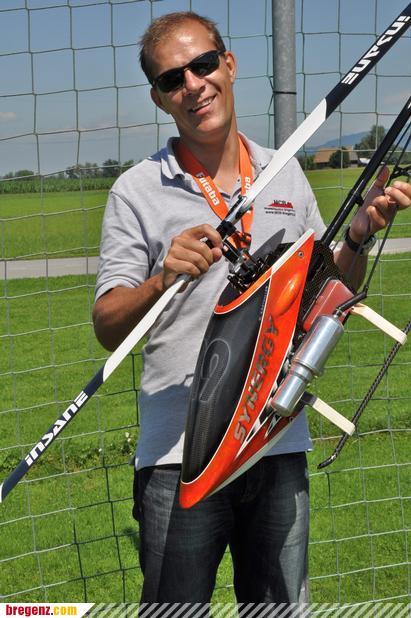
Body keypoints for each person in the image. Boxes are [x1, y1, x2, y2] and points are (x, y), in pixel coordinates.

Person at [92, 11, 411, 607]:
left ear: (229, 65)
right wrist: (162, 279)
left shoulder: (284, 172)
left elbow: (326, 294)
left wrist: (359, 235)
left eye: (203, 64)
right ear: (159, 98)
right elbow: (108, 325)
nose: (193, 84)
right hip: (179, 457)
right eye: (172, 79)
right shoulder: (135, 190)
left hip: (275, 440)